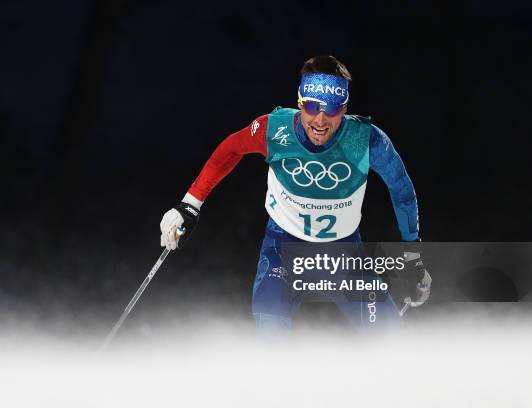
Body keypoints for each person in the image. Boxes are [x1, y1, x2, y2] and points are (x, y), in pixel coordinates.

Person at [160, 55, 431, 336]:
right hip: (283, 250)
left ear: (345, 108)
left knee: (390, 338)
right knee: (272, 338)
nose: (321, 120)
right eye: (312, 106)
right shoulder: (275, 130)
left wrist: (414, 258)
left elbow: (402, 191)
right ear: (300, 102)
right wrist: (190, 204)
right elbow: (231, 148)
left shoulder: (366, 140)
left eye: (333, 109)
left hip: (343, 254)